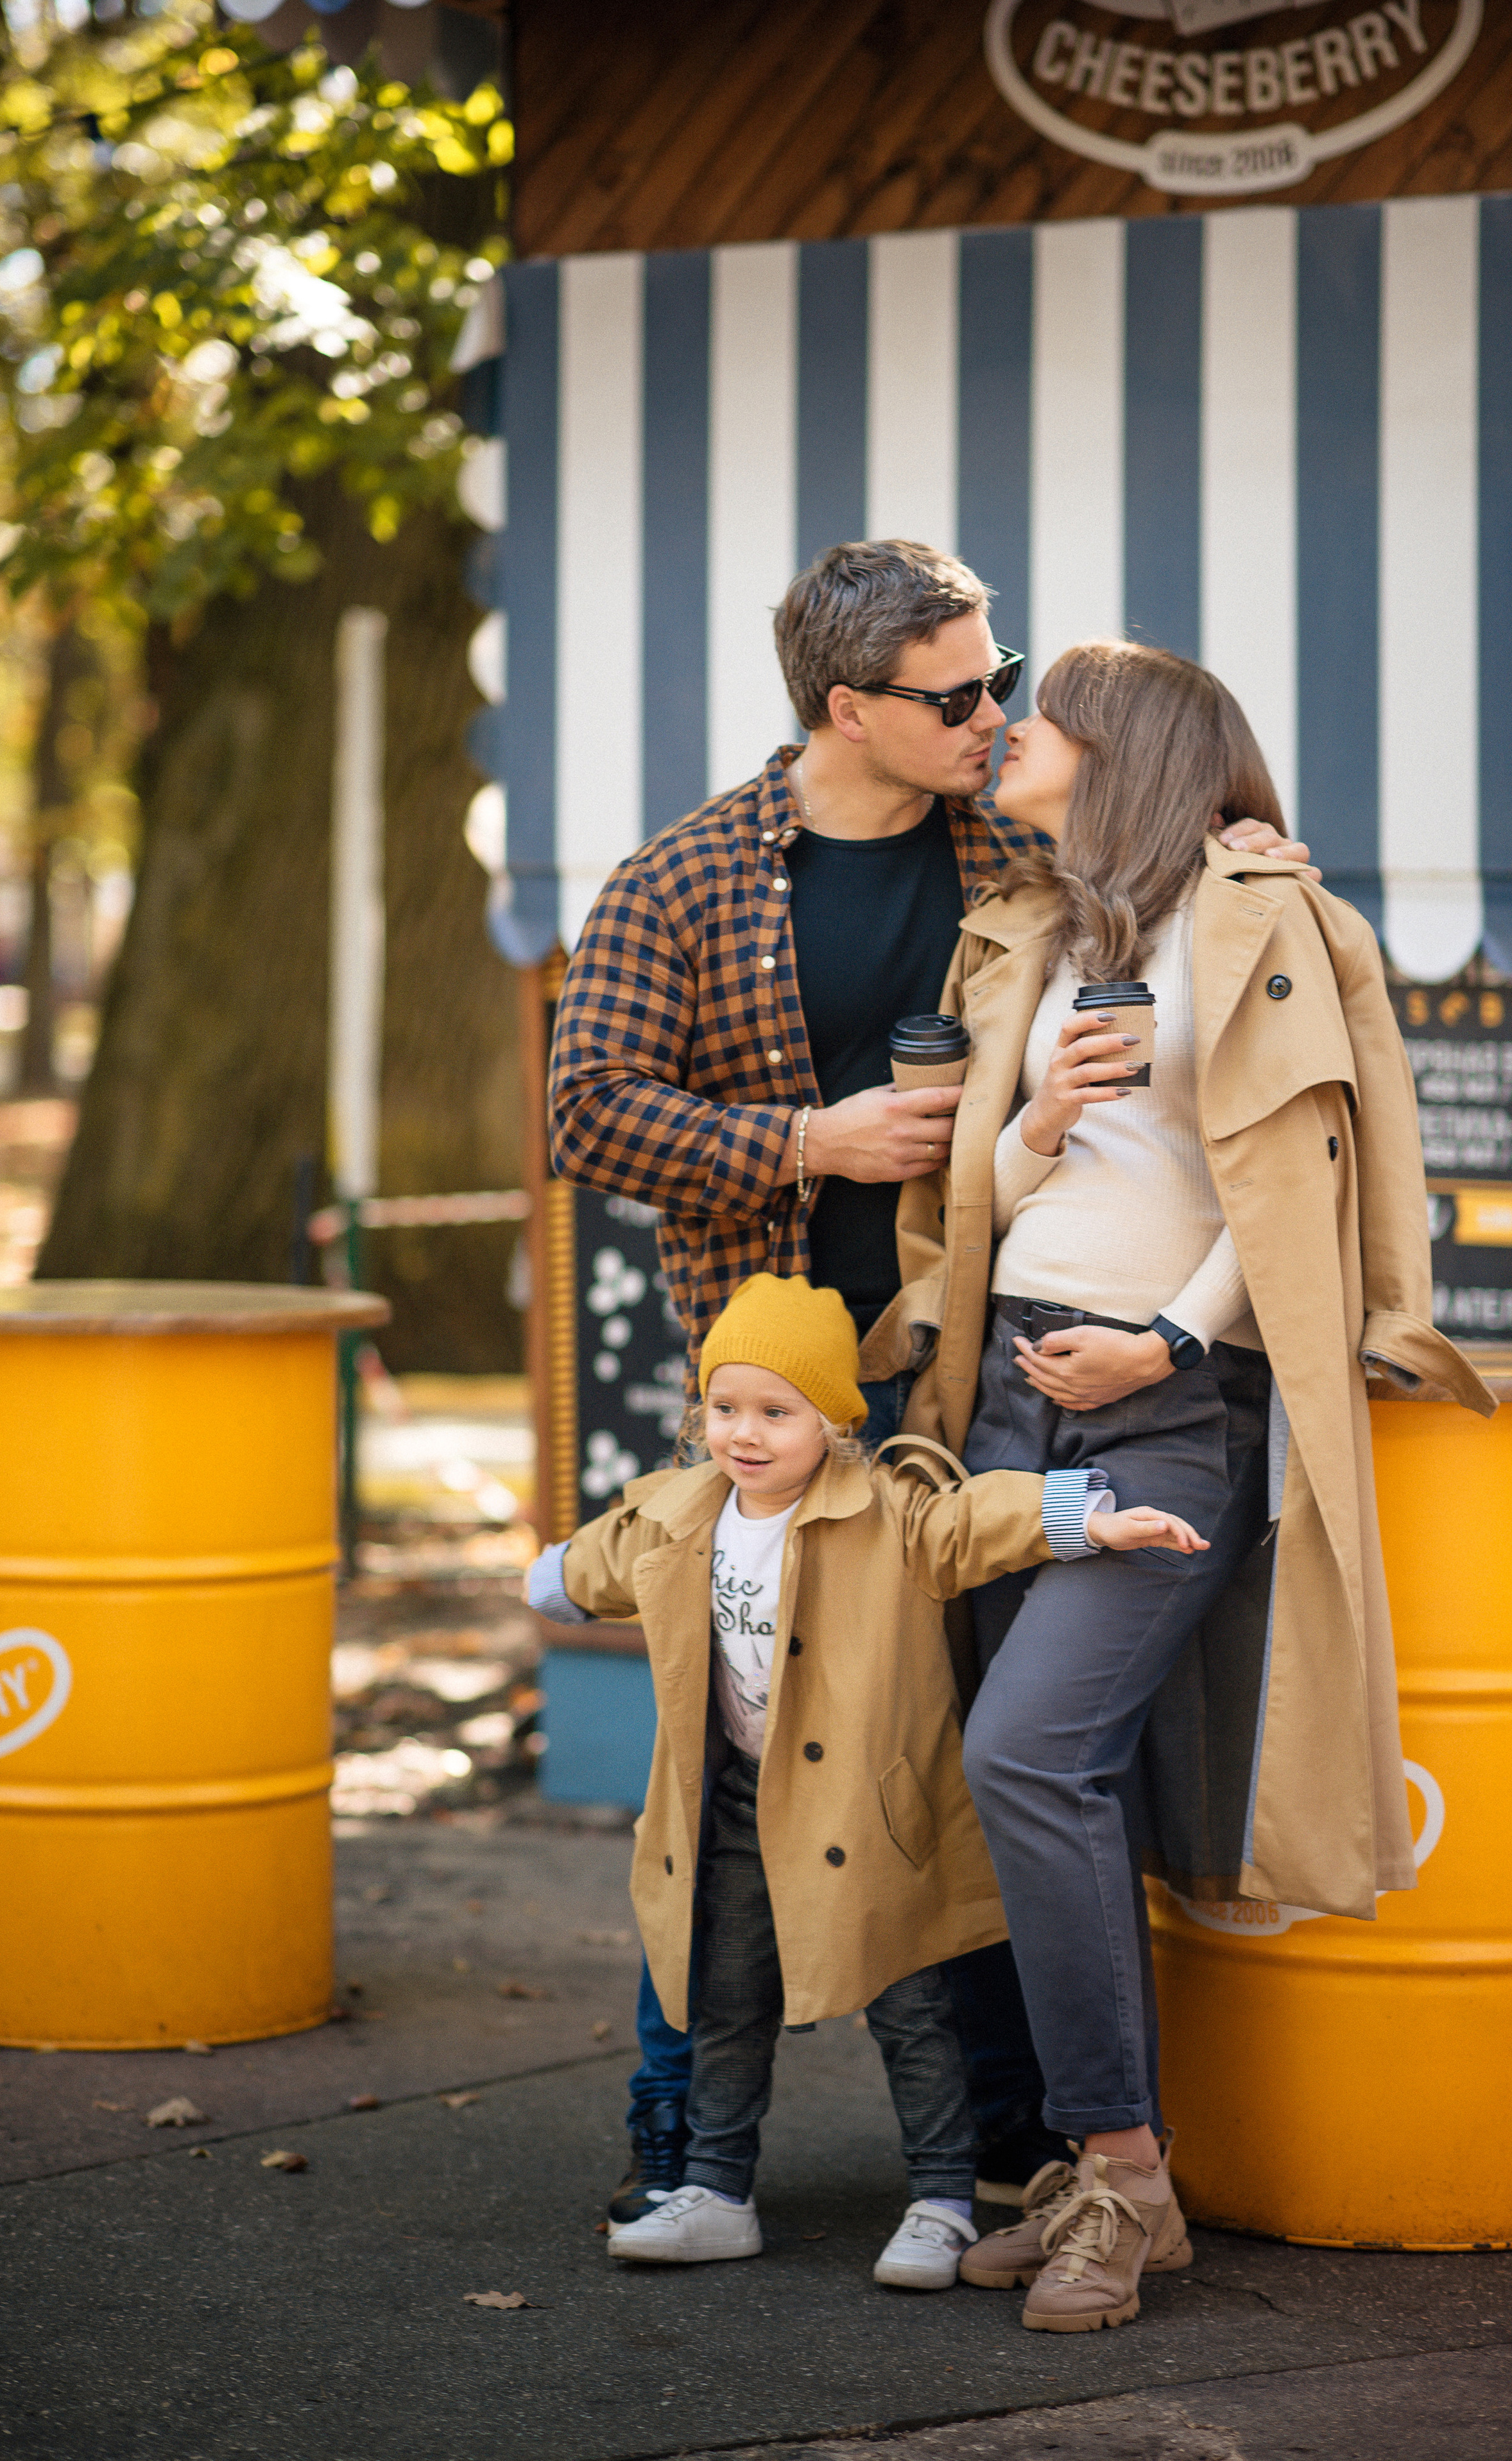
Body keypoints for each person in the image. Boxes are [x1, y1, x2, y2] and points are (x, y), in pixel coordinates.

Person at [544, 539, 1315, 2224]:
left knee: (970, 1749)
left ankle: (1003, 2152)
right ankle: (680, 2139)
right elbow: (583, 1107)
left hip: (983, 1369)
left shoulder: (1013, 844)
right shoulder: (684, 878)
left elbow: (1180, 869)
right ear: (849, 707)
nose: (995, 711)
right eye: (957, 693)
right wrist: (803, 1138)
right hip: (789, 1395)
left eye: (1000, 675)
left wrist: (1246, 847)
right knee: (739, 1756)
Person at [889, 637, 1493, 2334]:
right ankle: (1109, 2180)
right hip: (1006, 1391)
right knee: (1049, 1787)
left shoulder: (1262, 917)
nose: (1005, 733)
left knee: (1033, 1754)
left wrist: (1164, 1339)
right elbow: (987, 1183)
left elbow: (1294, 1188)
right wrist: (1041, 1118)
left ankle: (1125, 2171)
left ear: (1122, 746)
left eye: (1039, 716)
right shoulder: (1036, 932)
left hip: (1167, 1404)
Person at [527, 1274, 1208, 2286]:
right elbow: (606, 1557)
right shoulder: (683, 1513)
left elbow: (973, 1521)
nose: (745, 1434)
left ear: (835, 1422)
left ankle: (939, 2196)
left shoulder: (884, 1509)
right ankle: (716, 2185)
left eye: (776, 1411)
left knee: (910, 2004)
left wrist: (1089, 1517)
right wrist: (551, 1577)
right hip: (737, 1804)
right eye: (724, 1408)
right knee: (727, 1990)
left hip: (867, 1812)